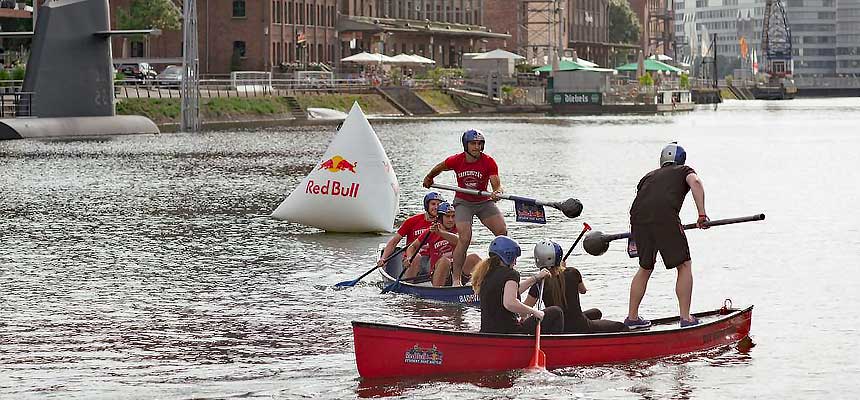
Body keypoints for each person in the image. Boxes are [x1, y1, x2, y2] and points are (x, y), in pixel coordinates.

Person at [625, 143, 709, 329]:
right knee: (684, 264)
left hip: (638, 218)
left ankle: (632, 318)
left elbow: (642, 200)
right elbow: (695, 182)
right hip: (664, 217)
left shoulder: (648, 176)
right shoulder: (683, 170)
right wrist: (702, 215)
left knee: (645, 266)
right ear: (681, 160)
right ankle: (686, 318)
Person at [423, 129, 507, 286]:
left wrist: (497, 192)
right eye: (473, 144)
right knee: (465, 238)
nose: (477, 147)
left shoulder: (488, 161)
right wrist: (429, 177)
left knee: (502, 232)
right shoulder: (456, 160)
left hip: (483, 202)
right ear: (465, 145)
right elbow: (440, 167)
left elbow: (497, 184)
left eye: (480, 144)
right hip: (463, 202)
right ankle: (456, 280)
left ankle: (500, 270)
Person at [525, 240, 629, 334]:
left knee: (596, 313)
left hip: (558, 325)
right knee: (621, 327)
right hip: (581, 326)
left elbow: (525, 309)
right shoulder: (572, 272)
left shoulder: (539, 283)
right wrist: (564, 269)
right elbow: (583, 291)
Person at [471, 236, 564, 334]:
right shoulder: (511, 274)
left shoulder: (486, 274)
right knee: (556, 312)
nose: (515, 262)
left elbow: (513, 291)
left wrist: (536, 278)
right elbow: (509, 303)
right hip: (510, 331)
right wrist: (534, 312)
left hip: (487, 332)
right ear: (508, 256)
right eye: (515, 258)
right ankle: (554, 346)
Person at [407, 202, 482, 287]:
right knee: (445, 261)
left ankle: (484, 286)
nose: (451, 220)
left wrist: (441, 233)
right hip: (439, 271)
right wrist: (410, 258)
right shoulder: (430, 231)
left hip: (457, 270)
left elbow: (461, 241)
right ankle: (438, 291)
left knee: (474, 258)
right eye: (447, 216)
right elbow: (412, 246)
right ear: (440, 218)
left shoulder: (459, 228)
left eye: (453, 216)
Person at [378, 192, 445, 278]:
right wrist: (383, 259)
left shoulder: (444, 222)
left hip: (432, 259)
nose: (436, 207)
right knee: (416, 257)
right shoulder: (412, 221)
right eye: (433, 204)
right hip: (411, 259)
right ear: (426, 205)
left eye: (439, 204)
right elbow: (394, 242)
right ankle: (409, 282)